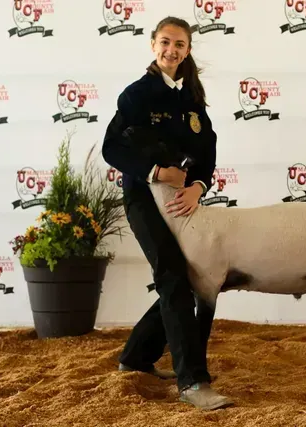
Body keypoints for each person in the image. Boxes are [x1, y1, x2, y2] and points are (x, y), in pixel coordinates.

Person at [101, 16, 233, 411]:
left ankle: (135, 358)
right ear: (153, 44)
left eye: (179, 44)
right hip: (144, 199)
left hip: (180, 201)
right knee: (173, 275)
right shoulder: (136, 94)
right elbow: (112, 148)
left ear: (187, 50)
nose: (171, 50)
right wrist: (156, 172)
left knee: (186, 278)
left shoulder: (191, 97)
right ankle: (192, 382)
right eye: (164, 42)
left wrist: (198, 186)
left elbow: (207, 151)